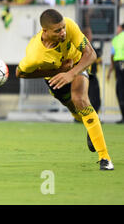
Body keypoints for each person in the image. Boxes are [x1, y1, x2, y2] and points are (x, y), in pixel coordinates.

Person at [16, 9, 114, 170]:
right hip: (55, 77)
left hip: (77, 64)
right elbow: (20, 73)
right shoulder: (34, 55)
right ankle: (90, 125)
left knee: (80, 100)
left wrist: (71, 73)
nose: (63, 32)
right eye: (58, 30)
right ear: (45, 31)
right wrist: (58, 72)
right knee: (73, 107)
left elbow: (90, 54)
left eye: (63, 28)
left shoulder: (69, 25)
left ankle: (104, 158)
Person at [107, 23, 124, 124]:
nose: (116, 29)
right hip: (120, 65)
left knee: (120, 92)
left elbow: (112, 56)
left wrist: (110, 70)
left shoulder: (116, 39)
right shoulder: (116, 39)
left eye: (118, 27)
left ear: (121, 28)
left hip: (119, 66)